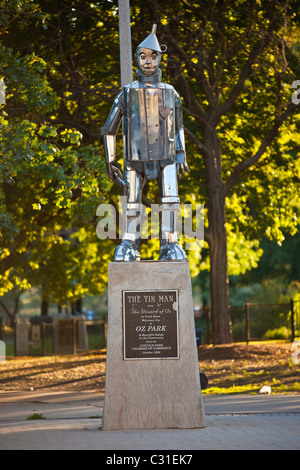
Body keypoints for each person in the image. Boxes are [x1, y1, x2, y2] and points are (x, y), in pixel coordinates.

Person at [101, 25, 189, 261]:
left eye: (152, 56)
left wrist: (181, 153)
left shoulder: (171, 93)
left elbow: (179, 126)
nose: (147, 61)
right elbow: (110, 128)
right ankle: (129, 243)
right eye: (142, 56)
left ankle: (170, 243)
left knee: (170, 198)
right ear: (137, 59)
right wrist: (110, 160)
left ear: (160, 58)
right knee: (132, 199)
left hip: (167, 155)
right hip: (134, 157)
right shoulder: (126, 93)